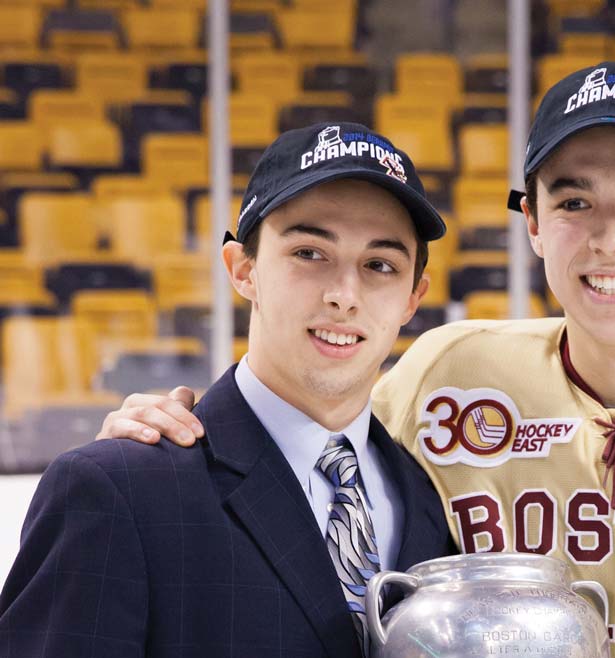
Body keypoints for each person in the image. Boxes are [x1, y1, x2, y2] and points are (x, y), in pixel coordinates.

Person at [90, 63, 615, 658]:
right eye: (573, 198)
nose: (608, 234)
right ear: (535, 225)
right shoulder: (452, 377)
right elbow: (301, 453)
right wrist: (170, 434)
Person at [0, 122, 455, 658]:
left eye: (380, 265)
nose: (344, 295)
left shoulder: (434, 498)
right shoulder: (117, 489)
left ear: (412, 298)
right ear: (243, 269)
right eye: (310, 253)